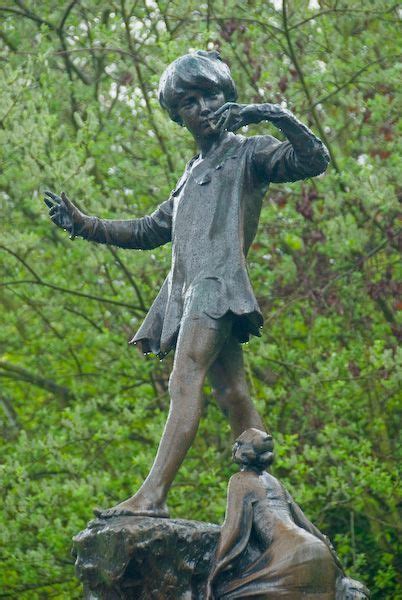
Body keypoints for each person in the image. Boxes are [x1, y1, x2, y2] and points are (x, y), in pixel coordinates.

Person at [44, 51, 330, 519]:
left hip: (217, 288)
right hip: (188, 292)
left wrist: (270, 113)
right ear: (178, 116)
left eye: (211, 94)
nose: (204, 106)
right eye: (190, 101)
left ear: (229, 97)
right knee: (233, 392)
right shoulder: (191, 174)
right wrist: (84, 224)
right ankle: (267, 500)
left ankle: (153, 495)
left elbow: (313, 159)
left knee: (185, 381)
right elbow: (148, 230)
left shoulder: (250, 152)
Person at [206, 429, 370, 600]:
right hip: (317, 550)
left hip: (290, 555)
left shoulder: (240, 480)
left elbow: (232, 530)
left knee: (227, 593)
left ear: (242, 451)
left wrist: (213, 573)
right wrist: (340, 571)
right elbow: (307, 525)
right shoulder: (275, 482)